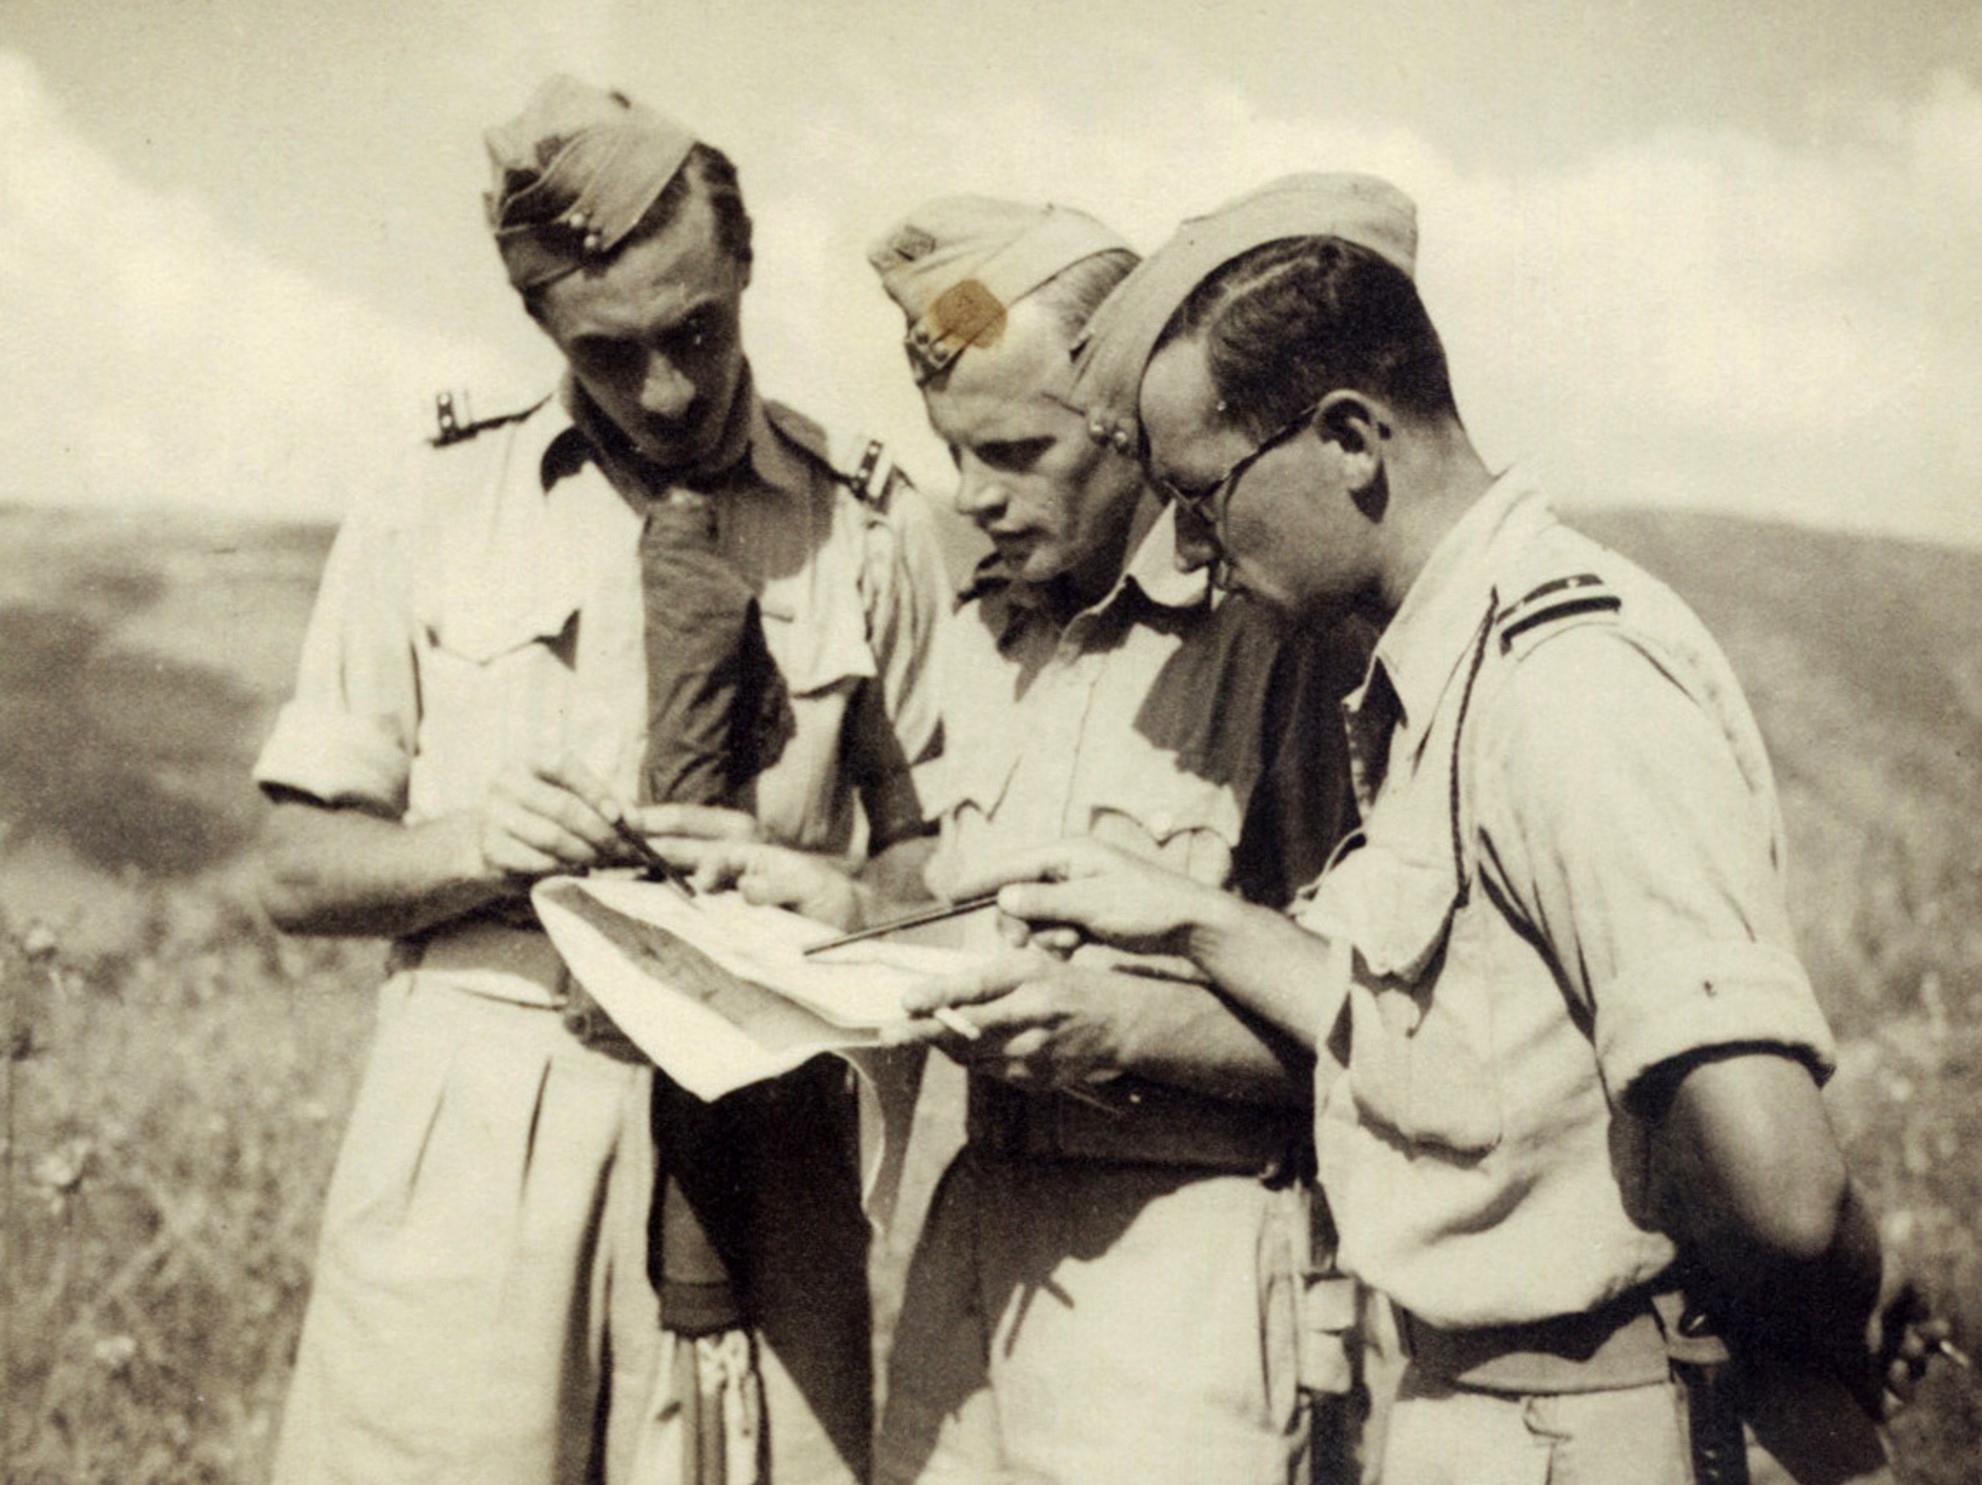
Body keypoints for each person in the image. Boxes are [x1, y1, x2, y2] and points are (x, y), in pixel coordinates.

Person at [922, 173, 1955, 1484]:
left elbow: (1780, 1190)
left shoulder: (1564, 682)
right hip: (1493, 1411)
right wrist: (1189, 916)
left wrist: (1841, 1308)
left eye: (1204, 494)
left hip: (1617, 1417)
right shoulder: (1434, 680)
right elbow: (1445, 1036)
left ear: (1350, 440)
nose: (1190, 544)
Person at [251, 76, 944, 1485]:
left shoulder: (872, 527)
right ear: (539, 323)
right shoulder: (431, 502)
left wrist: (834, 897)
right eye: (611, 354)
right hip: (482, 1145)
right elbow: (295, 867)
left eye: (698, 330)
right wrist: (470, 843)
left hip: (768, 1139)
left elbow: (937, 860)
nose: (668, 390)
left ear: (744, 264)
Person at [692, 196, 1371, 1484]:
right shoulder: (983, 626)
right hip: (975, 1250)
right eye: (956, 452)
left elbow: (1386, 1032)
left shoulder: (1281, 635)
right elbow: (962, 900)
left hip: (1189, 1272)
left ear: (1127, 425)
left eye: (1015, 452)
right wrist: (847, 907)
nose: (973, 496)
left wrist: (1124, 1026)